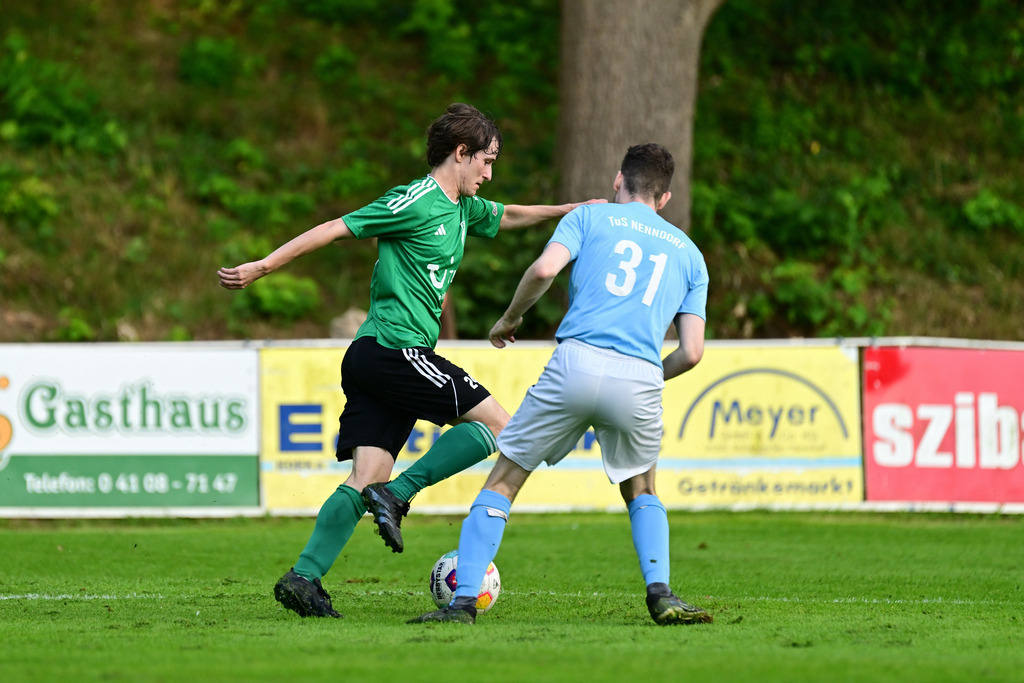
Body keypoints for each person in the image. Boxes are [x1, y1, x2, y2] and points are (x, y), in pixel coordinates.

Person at [218, 103, 604, 618]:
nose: (490, 174)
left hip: (377, 358)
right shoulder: (416, 200)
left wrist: (570, 210)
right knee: (500, 428)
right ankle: (399, 496)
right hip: (393, 351)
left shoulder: (463, 207)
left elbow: (509, 215)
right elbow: (337, 227)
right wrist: (264, 266)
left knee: (365, 478)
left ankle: (303, 577)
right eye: (486, 161)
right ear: (460, 154)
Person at [409, 143, 713, 626]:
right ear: (666, 198)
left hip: (575, 361)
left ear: (618, 180)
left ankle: (464, 602)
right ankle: (661, 593)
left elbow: (546, 269)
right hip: (639, 375)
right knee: (642, 488)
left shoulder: (591, 218)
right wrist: (653, 374)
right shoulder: (690, 255)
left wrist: (508, 319)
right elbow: (692, 351)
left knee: (506, 480)